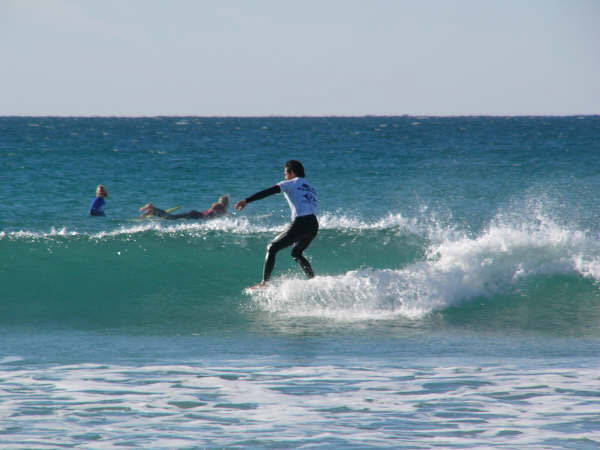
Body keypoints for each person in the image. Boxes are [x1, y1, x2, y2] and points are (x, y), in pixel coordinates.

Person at [235, 160, 318, 288]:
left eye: (285, 173)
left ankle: (264, 283)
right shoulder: (311, 187)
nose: (284, 177)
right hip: (313, 224)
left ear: (292, 173)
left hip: (301, 222)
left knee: (272, 248)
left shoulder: (289, 183)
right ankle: (313, 279)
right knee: (296, 252)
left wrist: (247, 200)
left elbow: (268, 191)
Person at [139, 195, 229, 220]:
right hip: (195, 215)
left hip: (195, 214)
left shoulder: (218, 209)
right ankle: (152, 209)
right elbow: (209, 215)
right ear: (226, 204)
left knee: (173, 217)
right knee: (172, 217)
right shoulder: (222, 211)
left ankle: (152, 210)